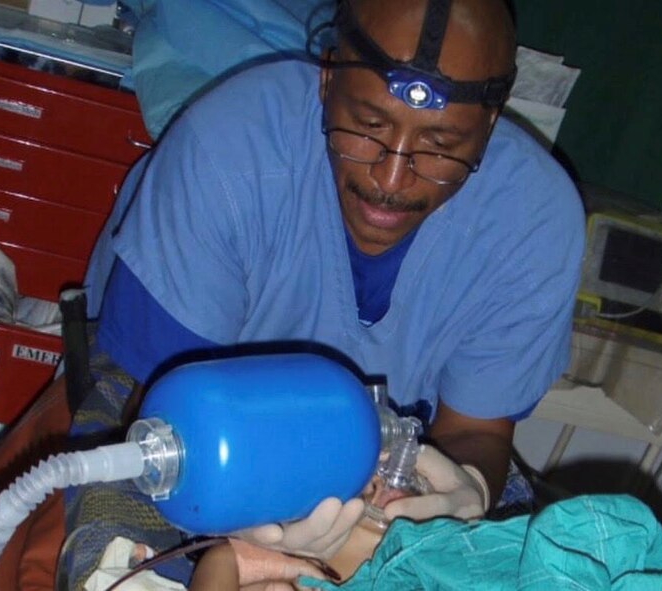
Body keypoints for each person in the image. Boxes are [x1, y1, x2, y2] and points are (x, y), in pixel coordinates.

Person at [62, 0, 585, 586]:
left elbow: (479, 432)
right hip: (180, 410)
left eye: (439, 146)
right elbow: (154, 408)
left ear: (488, 126)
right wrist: (239, 545)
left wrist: (470, 488)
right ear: (328, 76)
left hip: (405, 442)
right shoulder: (231, 147)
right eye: (367, 126)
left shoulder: (533, 219)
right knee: (115, 569)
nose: (390, 181)